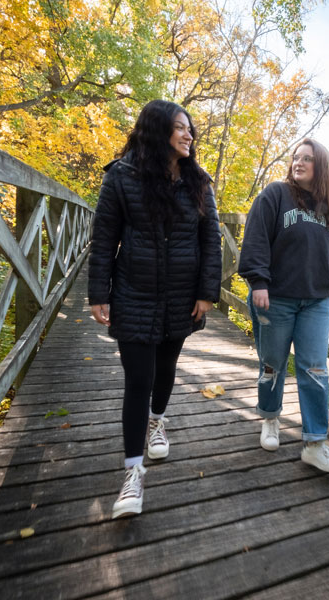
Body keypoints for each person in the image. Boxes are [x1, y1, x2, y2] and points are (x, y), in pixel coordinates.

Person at [88, 99, 222, 518]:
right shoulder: (122, 177)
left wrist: (207, 292)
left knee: (166, 370)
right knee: (138, 380)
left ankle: (157, 421)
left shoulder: (199, 181)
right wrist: (99, 292)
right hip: (134, 291)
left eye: (190, 129)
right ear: (157, 130)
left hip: (183, 295)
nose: (189, 135)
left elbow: (211, 239)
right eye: (181, 128)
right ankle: (132, 473)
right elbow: (105, 235)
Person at [238, 138, 329, 473]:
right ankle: (270, 419)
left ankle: (315, 442)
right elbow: (255, 236)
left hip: (315, 302)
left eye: (307, 158)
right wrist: (258, 281)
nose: (298, 162)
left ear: (321, 166)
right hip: (276, 298)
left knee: (315, 368)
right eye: (295, 157)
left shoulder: (327, 208)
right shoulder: (275, 194)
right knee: (272, 364)